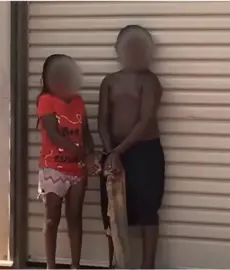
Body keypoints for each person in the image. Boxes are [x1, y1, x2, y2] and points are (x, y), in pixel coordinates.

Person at [98, 25, 165, 269]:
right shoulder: (109, 82)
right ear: (118, 51)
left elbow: (146, 119)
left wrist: (118, 151)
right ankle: (115, 263)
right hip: (113, 152)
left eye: (141, 47)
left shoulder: (150, 81)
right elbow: (102, 119)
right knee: (112, 211)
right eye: (129, 47)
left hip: (145, 152)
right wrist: (109, 151)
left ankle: (147, 266)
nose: (135, 52)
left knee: (148, 209)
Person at [36, 54, 98, 269]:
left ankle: (75, 265)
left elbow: (86, 133)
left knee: (75, 217)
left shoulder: (79, 101)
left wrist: (91, 154)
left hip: (77, 170)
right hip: (54, 168)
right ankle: (50, 265)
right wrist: (82, 153)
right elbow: (54, 135)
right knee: (52, 219)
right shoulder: (46, 100)